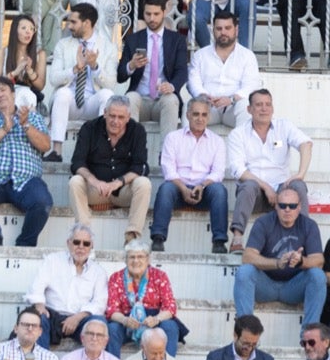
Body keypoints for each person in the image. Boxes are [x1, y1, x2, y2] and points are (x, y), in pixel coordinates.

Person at [0, 77, 54, 248]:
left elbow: (45, 145)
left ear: (13, 94)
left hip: (25, 181)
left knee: (42, 201)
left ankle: (25, 243)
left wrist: (25, 124)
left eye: (3, 90)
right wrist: (4, 129)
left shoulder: (33, 118)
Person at [229, 89, 314, 254]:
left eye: (268, 104)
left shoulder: (284, 126)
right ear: (249, 109)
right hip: (256, 194)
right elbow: (238, 170)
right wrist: (266, 187)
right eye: (259, 105)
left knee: (298, 185)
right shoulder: (238, 134)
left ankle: (303, 242)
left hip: (283, 191)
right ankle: (237, 240)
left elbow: (306, 144)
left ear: (273, 108)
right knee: (248, 185)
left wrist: (300, 174)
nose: (264, 109)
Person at [151, 97, 228, 256]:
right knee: (166, 188)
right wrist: (183, 188)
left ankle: (219, 242)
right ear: (187, 115)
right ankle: (158, 239)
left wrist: (202, 185)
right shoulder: (173, 137)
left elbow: (218, 173)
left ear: (209, 117)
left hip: (204, 190)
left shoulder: (217, 142)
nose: (200, 119)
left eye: (204, 115)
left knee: (219, 190)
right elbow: (169, 170)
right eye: (196, 114)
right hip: (178, 189)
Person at [70, 96, 152, 243]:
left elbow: (140, 166)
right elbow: (77, 163)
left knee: (144, 183)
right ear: (105, 112)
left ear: (128, 117)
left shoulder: (137, 130)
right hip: (96, 190)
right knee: (75, 181)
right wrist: (94, 181)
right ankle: (84, 236)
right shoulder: (90, 128)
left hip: (123, 190)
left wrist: (118, 183)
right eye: (112, 116)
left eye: (121, 117)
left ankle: (131, 238)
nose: (115, 121)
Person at [45, 3, 120, 157]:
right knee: (62, 93)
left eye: (73, 22)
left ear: (86, 23)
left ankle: (101, 151)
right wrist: (75, 69)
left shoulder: (108, 47)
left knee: (107, 95)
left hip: (93, 102)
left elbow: (111, 83)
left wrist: (94, 66)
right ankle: (56, 151)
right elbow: (53, 79)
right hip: (70, 103)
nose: (68, 26)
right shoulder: (63, 45)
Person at [118, 0, 187, 138]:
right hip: (140, 99)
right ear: (143, 13)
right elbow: (120, 76)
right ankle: (130, 154)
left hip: (162, 99)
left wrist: (172, 86)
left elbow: (182, 71)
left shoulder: (177, 40)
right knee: (130, 98)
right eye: (148, 14)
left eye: (156, 14)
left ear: (164, 12)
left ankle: (166, 155)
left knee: (171, 99)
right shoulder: (133, 39)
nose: (152, 18)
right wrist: (131, 65)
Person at [187, 10, 261, 132]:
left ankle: (241, 149)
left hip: (233, 108)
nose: (223, 32)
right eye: (219, 28)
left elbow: (251, 86)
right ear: (213, 30)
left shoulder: (247, 56)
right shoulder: (200, 55)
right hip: (208, 108)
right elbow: (193, 82)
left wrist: (231, 99)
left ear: (236, 30)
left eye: (227, 28)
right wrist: (204, 96)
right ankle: (186, 149)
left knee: (245, 107)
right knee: (190, 106)